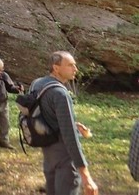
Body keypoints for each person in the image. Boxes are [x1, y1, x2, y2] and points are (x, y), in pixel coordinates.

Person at [30, 51, 98, 195]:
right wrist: (86, 176)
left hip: (48, 153)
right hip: (65, 158)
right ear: (56, 68)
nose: (76, 69)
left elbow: (45, 115)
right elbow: (70, 136)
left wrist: (72, 123)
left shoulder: (37, 84)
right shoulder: (60, 93)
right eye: (70, 65)